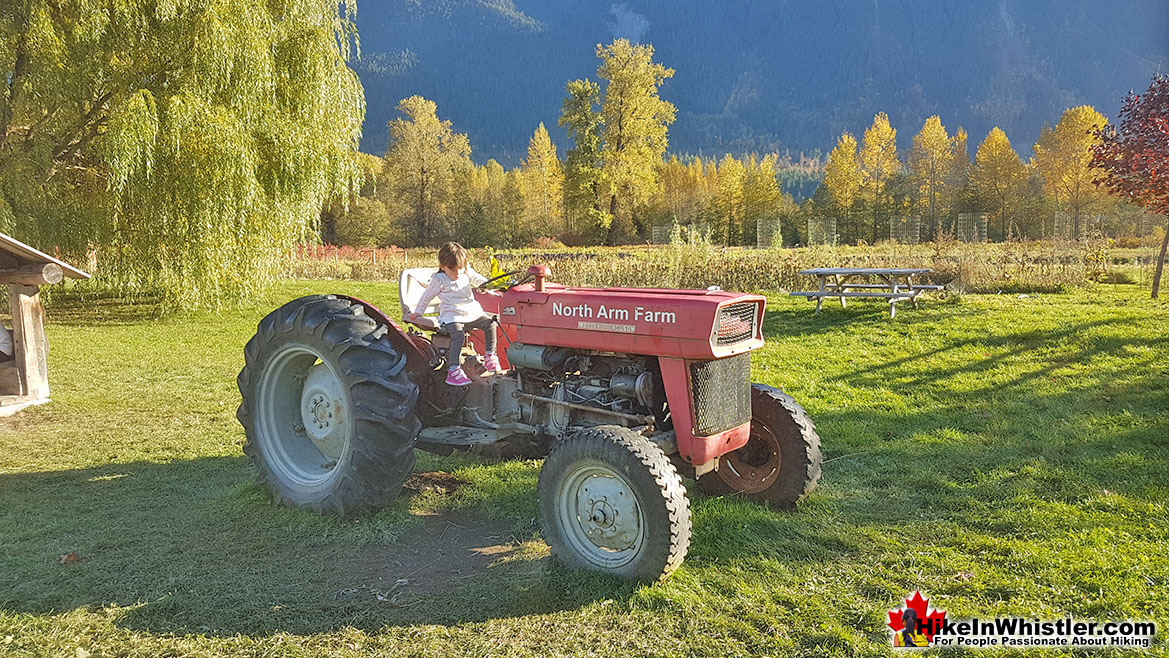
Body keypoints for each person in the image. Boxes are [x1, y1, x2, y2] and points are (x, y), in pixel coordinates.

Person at [408, 242, 500, 386]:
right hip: (452, 315)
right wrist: (418, 313)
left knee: (491, 323)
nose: (457, 273)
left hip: (471, 311)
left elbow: (477, 279)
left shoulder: (465, 271)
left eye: (460, 269)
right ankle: (453, 370)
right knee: (458, 335)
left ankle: (490, 356)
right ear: (443, 266)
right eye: (453, 270)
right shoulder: (439, 280)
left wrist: (487, 285)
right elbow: (426, 297)